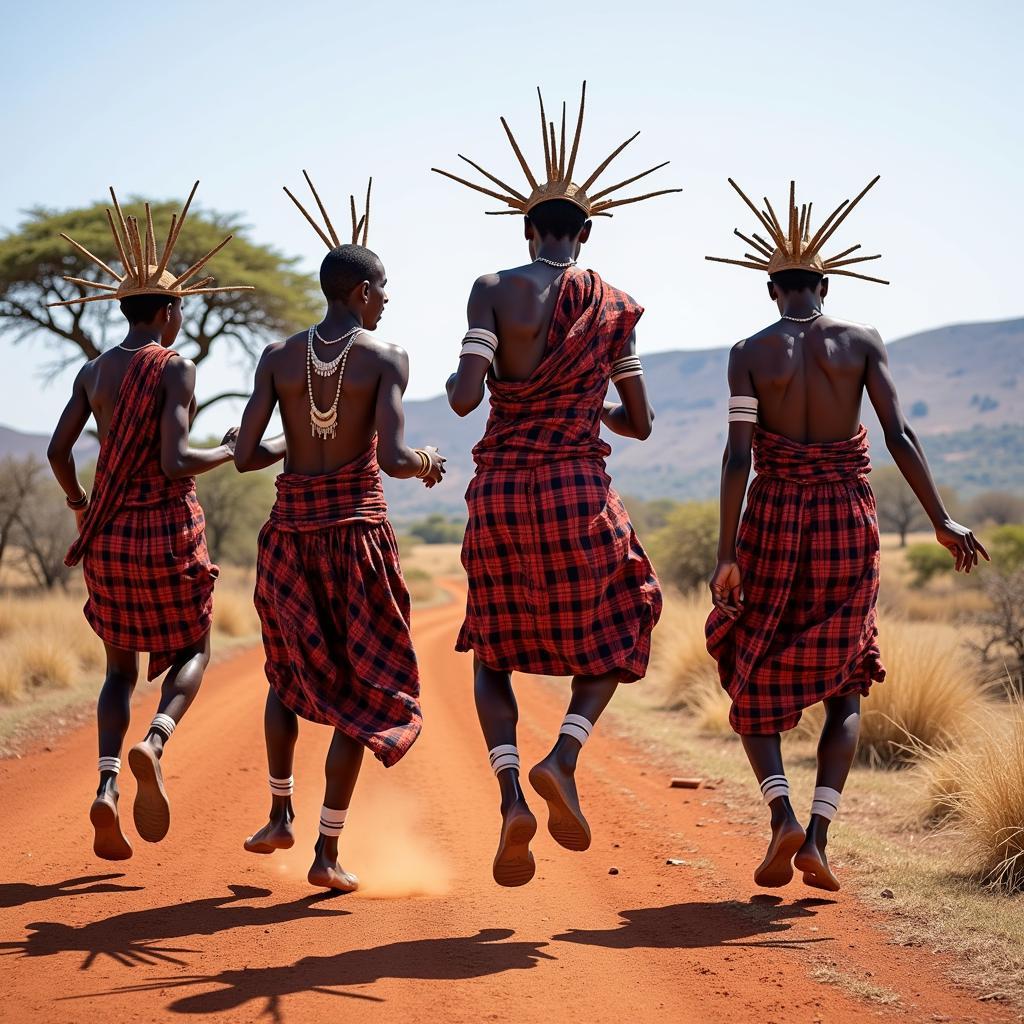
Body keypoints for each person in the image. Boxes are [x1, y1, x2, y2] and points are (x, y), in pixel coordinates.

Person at [704, 177, 989, 891]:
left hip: (772, 521)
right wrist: (939, 517)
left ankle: (781, 817)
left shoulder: (748, 351)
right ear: (823, 285)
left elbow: (739, 454)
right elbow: (897, 432)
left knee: (750, 665)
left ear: (774, 291)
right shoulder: (861, 342)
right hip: (845, 522)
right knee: (848, 682)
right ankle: (819, 841)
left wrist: (726, 554)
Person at [433, 83, 676, 886]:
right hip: (577, 487)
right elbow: (638, 421)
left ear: (528, 230)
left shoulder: (491, 290)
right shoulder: (614, 304)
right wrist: (587, 397)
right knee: (631, 607)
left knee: (492, 644)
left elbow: (466, 399)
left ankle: (510, 797)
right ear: (587, 232)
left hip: (501, 489)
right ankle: (564, 752)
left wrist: (487, 369)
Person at [235, 175, 445, 892]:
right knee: (364, 685)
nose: (388, 300)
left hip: (290, 533)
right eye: (383, 289)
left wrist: (293, 446)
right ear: (360, 293)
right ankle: (325, 854)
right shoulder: (387, 359)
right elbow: (388, 456)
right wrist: (423, 463)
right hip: (356, 537)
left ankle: (279, 813)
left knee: (286, 672)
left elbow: (243, 455)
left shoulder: (276, 359)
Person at [46, 182, 253, 860]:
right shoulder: (176, 367)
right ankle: (155, 739)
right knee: (193, 648)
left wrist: (81, 506)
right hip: (165, 535)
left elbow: (56, 451)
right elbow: (172, 462)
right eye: (180, 311)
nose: (181, 322)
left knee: (117, 670)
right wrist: (227, 449)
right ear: (166, 312)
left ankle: (107, 786)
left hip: (107, 540)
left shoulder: (94, 371)